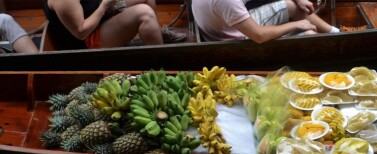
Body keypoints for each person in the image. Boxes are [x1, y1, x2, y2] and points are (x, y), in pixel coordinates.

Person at [43, 0, 186, 50]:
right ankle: (162, 70)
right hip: (85, 42)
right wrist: (104, 6)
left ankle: (157, 34)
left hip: (97, 18)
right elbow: (81, 32)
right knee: (145, 13)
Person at [192, 0, 339, 43]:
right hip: (235, 37)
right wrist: (295, 25)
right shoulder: (227, 2)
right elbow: (258, 36)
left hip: (230, 22)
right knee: (309, 35)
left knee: (294, 5)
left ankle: (335, 33)